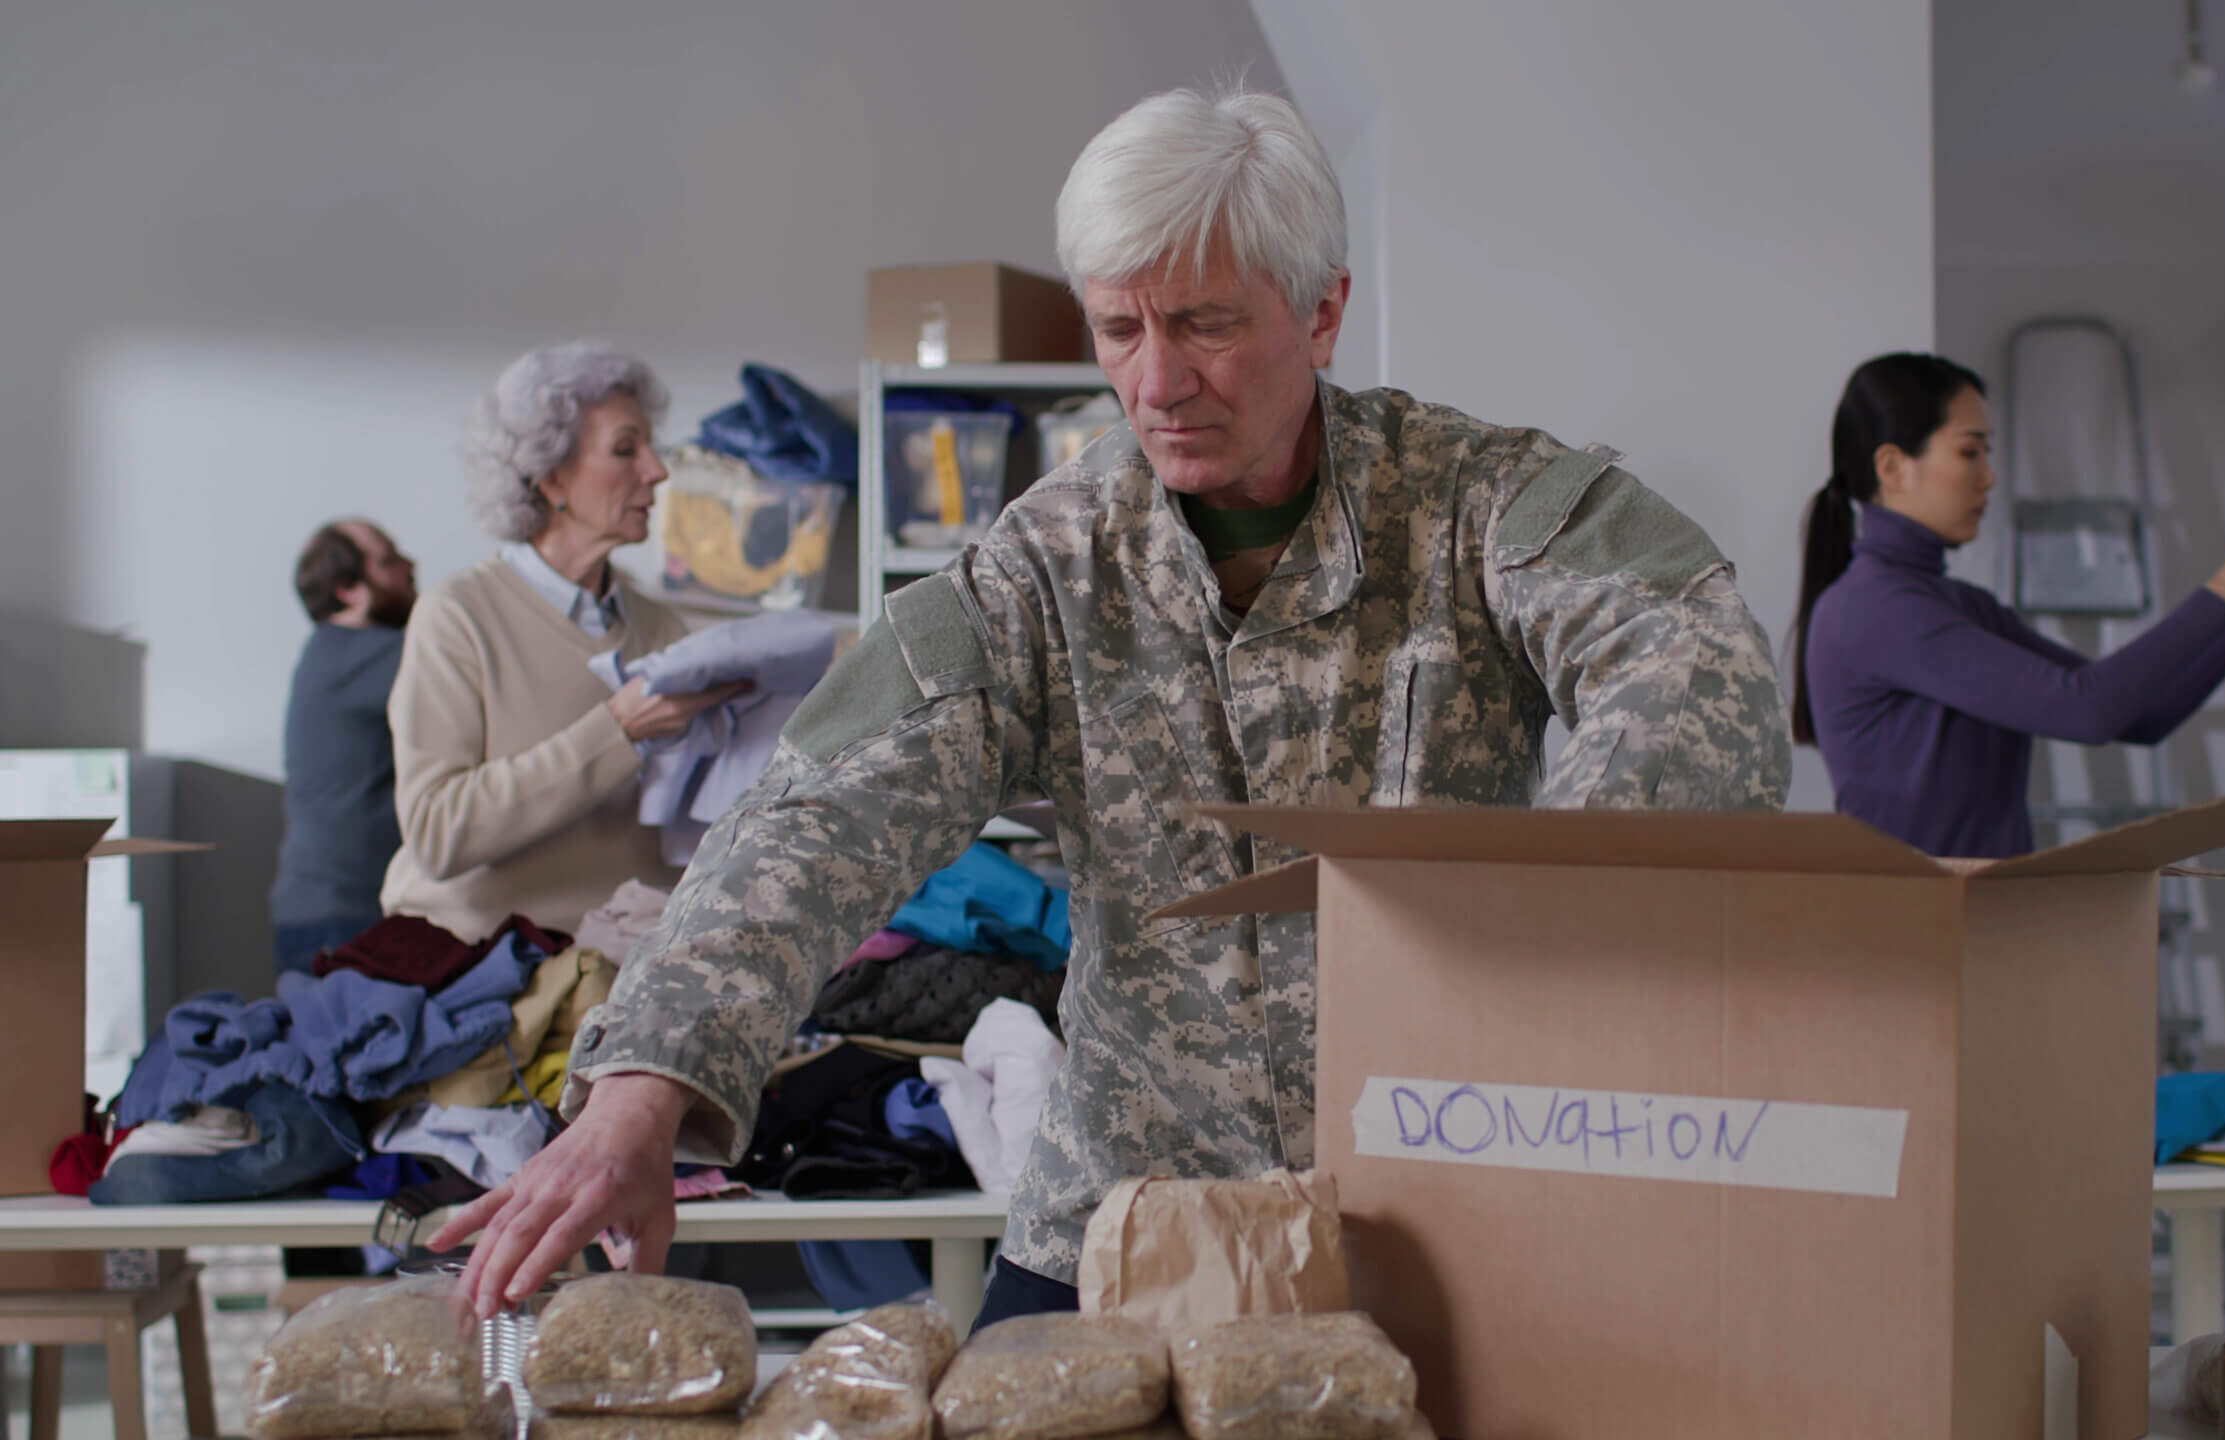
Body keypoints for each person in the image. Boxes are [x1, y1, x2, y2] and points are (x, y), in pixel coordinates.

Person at [438, 88, 1793, 1322]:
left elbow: (1693, 669)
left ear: (1319, 312)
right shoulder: (1045, 564)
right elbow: (821, 810)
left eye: (1206, 323)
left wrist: (1559, 939)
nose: (1155, 382)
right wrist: (637, 1091)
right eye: (1120, 328)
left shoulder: (1481, 505)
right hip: (1129, 1213)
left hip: (1441, 1208)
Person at [1793, 352, 2225, 858]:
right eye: (1969, 452)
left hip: (1977, 923)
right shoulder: (1876, 609)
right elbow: (2087, 710)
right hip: (1913, 935)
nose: (1989, 476)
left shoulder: (1953, 605)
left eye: (1987, 453)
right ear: (1892, 467)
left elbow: (2142, 716)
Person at [378, 341, 746, 943]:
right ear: (550, 478)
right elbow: (437, 833)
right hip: (478, 968)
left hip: (616, 967)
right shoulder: (458, 616)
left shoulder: (661, 628)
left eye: (650, 448)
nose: (657, 470)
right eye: (626, 449)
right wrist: (618, 730)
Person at [271, 519, 418, 973]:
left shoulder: (331, 653)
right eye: (389, 559)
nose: (410, 567)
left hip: (325, 909)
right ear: (349, 588)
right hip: (345, 916)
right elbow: (473, 667)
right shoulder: (365, 654)